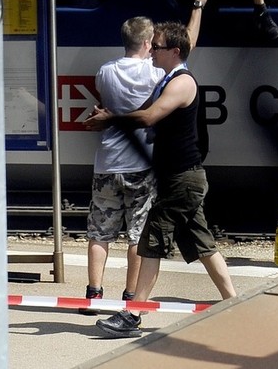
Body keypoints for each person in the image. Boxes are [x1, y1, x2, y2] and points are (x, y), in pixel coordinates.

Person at [86, 21, 236, 338]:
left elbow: (150, 117)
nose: (151, 51)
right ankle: (235, 304)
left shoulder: (182, 83)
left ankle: (133, 315)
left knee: (151, 239)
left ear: (174, 52)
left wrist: (111, 120)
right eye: (151, 46)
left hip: (183, 179)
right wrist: (110, 117)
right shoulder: (165, 81)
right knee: (203, 244)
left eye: (157, 47)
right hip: (178, 178)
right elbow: (141, 110)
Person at [80, 0, 209, 315]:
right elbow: (187, 45)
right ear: (149, 43)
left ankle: (93, 294)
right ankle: (130, 294)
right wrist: (197, 7)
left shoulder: (106, 71)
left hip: (106, 163)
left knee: (99, 231)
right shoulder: (157, 74)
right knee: (139, 233)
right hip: (141, 163)